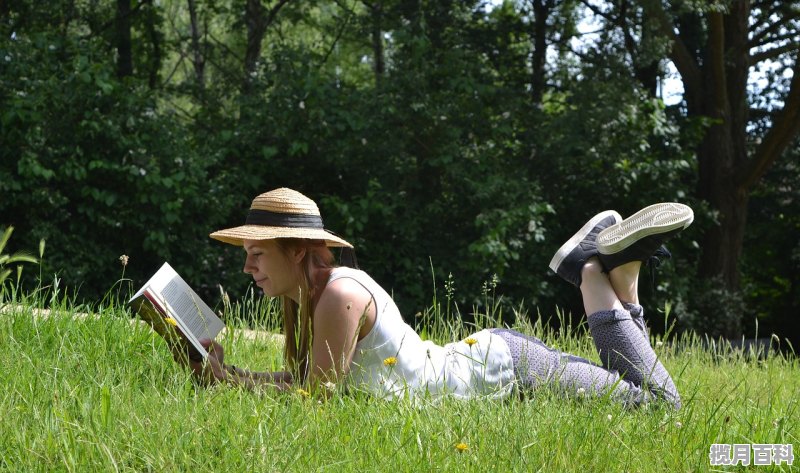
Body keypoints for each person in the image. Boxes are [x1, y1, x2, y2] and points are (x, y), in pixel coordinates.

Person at [182, 188, 691, 408]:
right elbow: (304, 382)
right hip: (492, 362)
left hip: (511, 369)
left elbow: (315, 399)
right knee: (638, 392)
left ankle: (589, 272)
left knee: (661, 406)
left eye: (257, 254)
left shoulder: (338, 293)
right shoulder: (312, 296)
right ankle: (621, 274)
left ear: (295, 252)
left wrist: (228, 382)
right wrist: (227, 377)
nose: (247, 265)